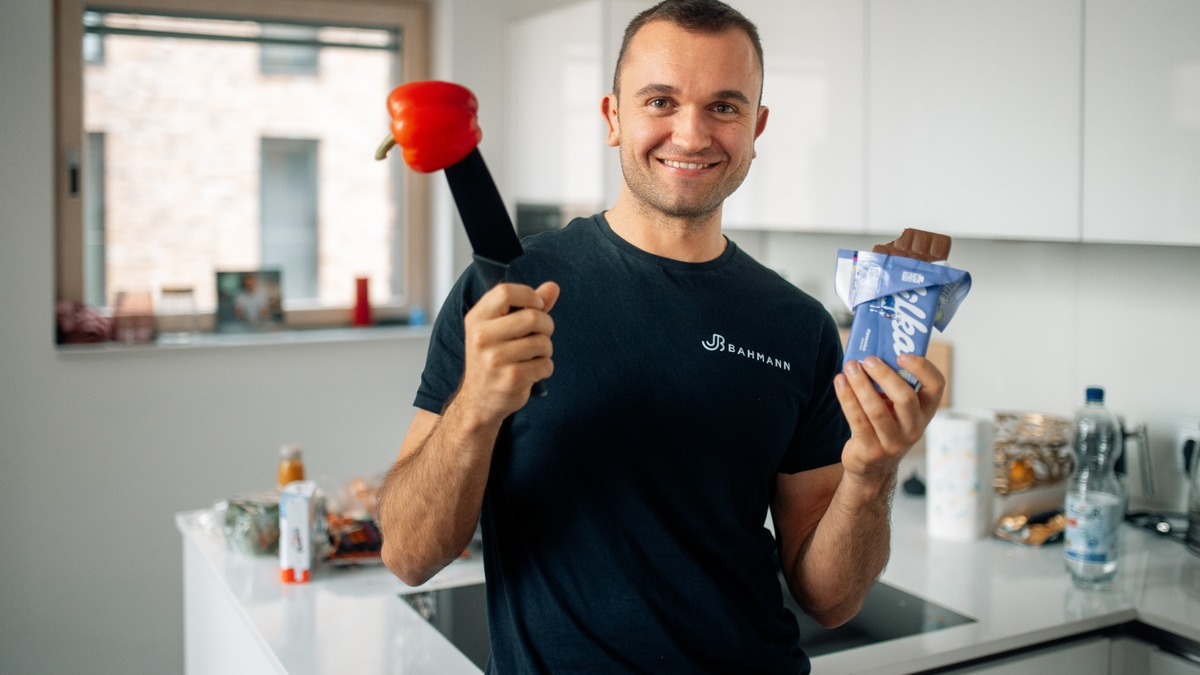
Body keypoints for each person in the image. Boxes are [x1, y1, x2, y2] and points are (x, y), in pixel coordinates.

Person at [378, 1, 945, 673]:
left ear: (757, 128)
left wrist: (872, 473)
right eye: (661, 100)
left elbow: (830, 598)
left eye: (724, 107)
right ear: (614, 118)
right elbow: (408, 554)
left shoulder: (798, 324)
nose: (692, 132)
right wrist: (476, 406)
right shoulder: (504, 295)